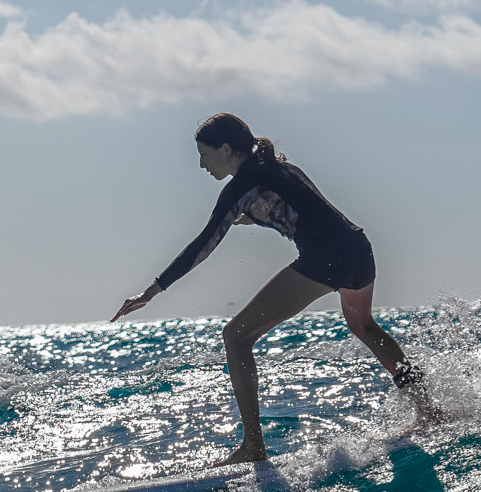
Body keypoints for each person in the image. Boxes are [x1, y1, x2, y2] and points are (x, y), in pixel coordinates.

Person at [111, 113, 430, 463]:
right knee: (364, 326)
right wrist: (255, 216)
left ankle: (253, 445)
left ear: (227, 149)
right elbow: (306, 210)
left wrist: (153, 290)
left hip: (325, 259)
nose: (201, 164)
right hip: (359, 249)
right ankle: (428, 407)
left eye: (205, 153)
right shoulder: (282, 168)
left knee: (235, 336)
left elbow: (204, 244)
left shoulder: (240, 187)